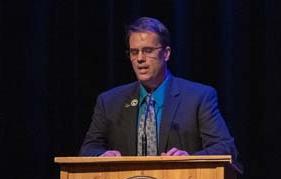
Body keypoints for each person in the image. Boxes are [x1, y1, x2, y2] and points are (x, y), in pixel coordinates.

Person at [80, 17, 239, 164]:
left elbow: (225, 147)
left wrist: (190, 159)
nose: (140, 59)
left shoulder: (198, 97)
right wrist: (102, 155)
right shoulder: (110, 102)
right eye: (134, 52)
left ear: (166, 53)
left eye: (148, 51)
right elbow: (88, 149)